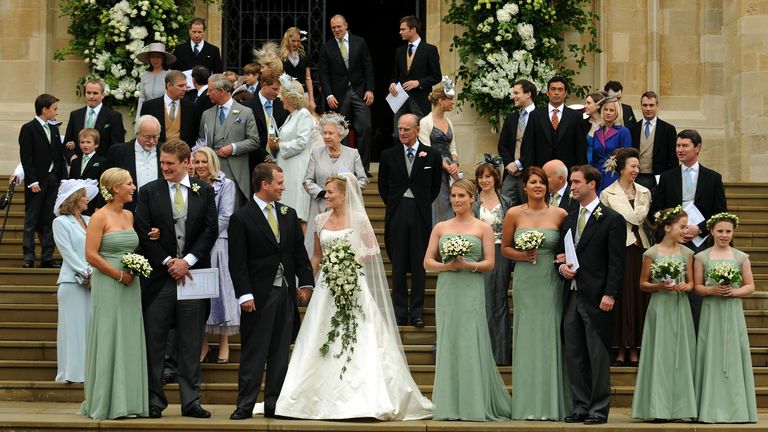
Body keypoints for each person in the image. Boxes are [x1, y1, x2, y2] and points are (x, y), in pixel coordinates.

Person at [265, 173, 433, 419]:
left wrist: (347, 260)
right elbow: (316, 257)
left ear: (344, 194)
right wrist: (307, 284)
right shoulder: (321, 220)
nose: (327, 195)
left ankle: (362, 398)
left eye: (331, 191)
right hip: (326, 288)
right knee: (318, 337)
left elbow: (371, 249)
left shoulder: (359, 219)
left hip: (353, 283)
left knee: (360, 335)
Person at [133, 139, 218, 419]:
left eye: (170, 163)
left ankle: (191, 401)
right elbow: (143, 231)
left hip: (193, 277)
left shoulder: (204, 191)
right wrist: (169, 261)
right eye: (162, 163)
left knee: (191, 341)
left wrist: (188, 261)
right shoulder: (148, 192)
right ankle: (154, 400)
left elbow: (210, 230)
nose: (164, 167)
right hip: (159, 279)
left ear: (186, 163)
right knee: (155, 340)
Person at [227, 163, 314, 420]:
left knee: (279, 352)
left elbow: (299, 254)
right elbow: (237, 261)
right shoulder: (242, 217)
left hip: (285, 293)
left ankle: (274, 404)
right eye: (279, 183)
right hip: (257, 295)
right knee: (254, 351)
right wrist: (244, 294)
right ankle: (245, 404)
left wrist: (306, 283)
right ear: (264, 184)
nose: (283, 187)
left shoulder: (288, 214)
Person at [424, 179, 513, 420]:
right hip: (448, 289)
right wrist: (447, 266)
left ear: (472, 199)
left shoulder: (482, 228)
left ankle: (473, 403)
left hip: (471, 287)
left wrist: (467, 265)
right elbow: (427, 262)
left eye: (461, 196)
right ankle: (449, 404)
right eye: (453, 196)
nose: (456, 200)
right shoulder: (441, 227)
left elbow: (490, 263)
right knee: (449, 339)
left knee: (470, 339)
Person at [557, 165, 626, 425]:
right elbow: (563, 255)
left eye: (576, 182)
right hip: (571, 296)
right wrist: (562, 268)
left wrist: (610, 294)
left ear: (591, 184)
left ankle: (598, 408)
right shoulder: (569, 218)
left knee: (597, 356)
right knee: (574, 354)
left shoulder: (611, 219)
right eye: (572, 183)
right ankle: (580, 406)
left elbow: (616, 263)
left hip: (597, 297)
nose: (571, 187)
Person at [500, 166, 570, 419]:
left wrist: (563, 257)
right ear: (525, 186)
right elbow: (505, 248)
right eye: (533, 182)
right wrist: (521, 254)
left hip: (550, 280)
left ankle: (552, 402)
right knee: (527, 333)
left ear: (548, 186)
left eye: (541, 182)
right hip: (525, 280)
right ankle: (527, 402)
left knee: (549, 332)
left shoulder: (561, 214)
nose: (538, 186)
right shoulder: (514, 214)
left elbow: (570, 246)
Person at [79, 168, 147, 419]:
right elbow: (91, 255)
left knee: (128, 338)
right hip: (109, 284)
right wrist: (118, 275)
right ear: (116, 188)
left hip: (131, 285)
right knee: (109, 336)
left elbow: (132, 244)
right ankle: (107, 402)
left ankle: (127, 401)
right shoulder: (99, 217)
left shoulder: (129, 215)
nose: (133, 187)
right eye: (129, 183)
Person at [652, 129, 727, 331]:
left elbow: (721, 213)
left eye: (685, 145)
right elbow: (656, 210)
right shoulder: (666, 178)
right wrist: (673, 230)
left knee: (698, 293)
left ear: (698, 148)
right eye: (678, 146)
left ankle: (698, 332)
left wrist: (699, 229)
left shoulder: (712, 178)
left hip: (701, 243)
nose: (680, 150)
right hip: (673, 244)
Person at [631, 206, 696, 421]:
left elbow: (692, 282)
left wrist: (686, 286)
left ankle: (681, 408)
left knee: (680, 355)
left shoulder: (687, 253)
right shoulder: (651, 253)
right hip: (659, 307)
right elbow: (643, 284)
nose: (685, 231)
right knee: (659, 354)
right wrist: (659, 286)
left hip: (679, 306)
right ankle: (657, 407)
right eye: (682, 227)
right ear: (667, 227)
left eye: (686, 227)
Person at [693, 212, 757, 423]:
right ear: (711, 231)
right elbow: (698, 287)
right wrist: (711, 291)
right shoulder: (701, 257)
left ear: (733, 233)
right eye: (720, 231)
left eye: (728, 231)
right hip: (711, 311)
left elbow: (750, 286)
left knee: (733, 355)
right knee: (711, 352)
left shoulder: (741, 257)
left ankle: (736, 408)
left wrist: (733, 292)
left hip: (732, 311)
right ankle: (709, 408)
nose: (724, 235)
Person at [379, 113, 442, 327]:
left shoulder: (432, 155)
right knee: (398, 265)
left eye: (407, 129)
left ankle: (416, 312)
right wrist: (395, 204)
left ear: (417, 130)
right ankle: (399, 312)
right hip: (397, 212)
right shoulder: (389, 155)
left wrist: (420, 203)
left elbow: (435, 186)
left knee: (418, 265)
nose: (403, 133)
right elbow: (383, 187)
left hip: (420, 214)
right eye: (400, 129)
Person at [599, 147, 651, 367]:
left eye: (638, 167)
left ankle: (637, 345)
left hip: (641, 249)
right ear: (621, 168)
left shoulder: (645, 192)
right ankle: (620, 347)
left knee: (638, 297)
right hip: (620, 249)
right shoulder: (607, 194)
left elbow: (639, 218)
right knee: (622, 297)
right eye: (633, 166)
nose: (636, 170)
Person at [192, 147, 239, 364]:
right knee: (199, 294)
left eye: (204, 161)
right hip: (194, 247)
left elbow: (225, 216)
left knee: (220, 292)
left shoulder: (225, 185)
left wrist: (205, 240)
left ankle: (223, 343)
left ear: (212, 162)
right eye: (197, 161)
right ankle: (202, 344)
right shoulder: (190, 184)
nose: (200, 166)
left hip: (218, 243)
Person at [52, 179, 98, 383]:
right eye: (84, 196)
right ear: (74, 199)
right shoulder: (60, 222)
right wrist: (88, 273)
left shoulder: (90, 220)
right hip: (72, 283)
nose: (87, 199)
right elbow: (67, 253)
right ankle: (71, 372)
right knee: (73, 329)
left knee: (89, 328)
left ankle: (89, 372)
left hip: (94, 282)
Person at [303, 113, 368, 254]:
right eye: (324, 133)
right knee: (317, 251)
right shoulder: (316, 153)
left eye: (331, 133)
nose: (326, 136)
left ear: (340, 134)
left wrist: (347, 190)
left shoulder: (353, 154)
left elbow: (363, 180)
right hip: (319, 208)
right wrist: (322, 193)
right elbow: (307, 181)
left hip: (345, 211)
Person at [318, 14, 375, 173]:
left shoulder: (360, 42)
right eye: (333, 28)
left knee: (365, 127)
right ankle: (347, 167)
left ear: (346, 26)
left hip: (359, 92)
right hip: (338, 95)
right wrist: (328, 95)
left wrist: (370, 89)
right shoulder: (326, 47)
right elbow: (324, 74)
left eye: (339, 27)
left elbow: (368, 67)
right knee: (342, 131)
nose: (336, 30)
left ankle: (363, 168)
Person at [19, 93, 68, 269]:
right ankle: (28, 257)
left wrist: (63, 177)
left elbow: (59, 155)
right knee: (31, 220)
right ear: (44, 109)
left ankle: (47, 256)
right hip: (37, 182)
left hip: (53, 180)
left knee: (48, 219)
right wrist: (32, 181)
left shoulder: (54, 129)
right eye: (54, 109)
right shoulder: (28, 128)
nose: (57, 113)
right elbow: (27, 158)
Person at [472, 162, 513, 366]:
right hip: (479, 253)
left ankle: (501, 353)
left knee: (499, 299)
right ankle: (481, 352)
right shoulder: (473, 203)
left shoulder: (507, 202)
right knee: (483, 300)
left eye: (488, 176)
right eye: (480, 177)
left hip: (501, 252)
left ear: (495, 178)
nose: (484, 180)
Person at [199, 73, 260, 207]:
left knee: (233, 212)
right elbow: (202, 141)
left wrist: (233, 148)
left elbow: (254, 140)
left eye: (210, 90)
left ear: (221, 91)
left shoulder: (245, 112)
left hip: (235, 173)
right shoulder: (206, 114)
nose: (207, 94)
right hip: (211, 173)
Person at [389, 15, 442, 141]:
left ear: (413, 30)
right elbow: (394, 75)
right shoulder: (399, 51)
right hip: (400, 98)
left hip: (420, 98)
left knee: (421, 132)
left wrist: (419, 82)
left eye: (403, 29)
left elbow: (436, 76)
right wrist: (392, 84)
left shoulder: (429, 50)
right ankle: (400, 160)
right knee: (398, 133)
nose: (400, 32)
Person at [521, 76, 587, 171]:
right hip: (540, 171)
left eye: (560, 90)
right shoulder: (535, 115)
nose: (556, 93)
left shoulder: (575, 116)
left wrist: (579, 173)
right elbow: (528, 146)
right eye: (553, 89)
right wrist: (530, 171)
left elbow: (581, 148)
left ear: (565, 93)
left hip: (568, 172)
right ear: (547, 93)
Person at [273, 74, 313, 227]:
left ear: (289, 97)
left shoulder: (304, 114)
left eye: (282, 95)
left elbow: (302, 142)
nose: (280, 98)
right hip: (287, 167)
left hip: (297, 169)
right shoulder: (291, 116)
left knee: (297, 214)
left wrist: (280, 146)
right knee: (286, 212)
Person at [419, 80, 459, 224]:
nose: (453, 102)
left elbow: (452, 147)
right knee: (440, 205)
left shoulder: (449, 122)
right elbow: (426, 150)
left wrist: (454, 163)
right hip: (435, 171)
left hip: (451, 170)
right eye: (450, 99)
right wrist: (445, 165)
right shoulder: (425, 122)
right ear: (441, 101)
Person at [105, 115, 162, 212]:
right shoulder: (118, 151)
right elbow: (106, 181)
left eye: (155, 137)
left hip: (158, 211)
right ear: (137, 134)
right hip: (125, 210)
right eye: (148, 137)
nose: (152, 141)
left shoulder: (165, 150)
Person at [63, 78, 126, 160]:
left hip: (103, 167)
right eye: (88, 93)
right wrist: (72, 158)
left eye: (95, 93)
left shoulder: (114, 116)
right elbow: (68, 142)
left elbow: (117, 146)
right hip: (78, 167)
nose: (91, 96)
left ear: (103, 95)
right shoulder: (75, 115)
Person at [629, 91, 678, 192]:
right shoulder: (633, 129)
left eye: (651, 105)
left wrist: (673, 181)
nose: (648, 109)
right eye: (645, 105)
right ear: (641, 106)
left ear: (657, 105)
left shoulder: (668, 129)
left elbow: (673, 158)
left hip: (659, 178)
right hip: (637, 177)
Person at [498, 79, 537, 205]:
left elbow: (538, 147)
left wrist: (519, 164)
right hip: (510, 174)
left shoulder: (540, 117)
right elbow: (502, 144)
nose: (513, 96)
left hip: (530, 173)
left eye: (516, 93)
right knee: (504, 207)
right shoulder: (511, 118)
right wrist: (510, 164)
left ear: (528, 94)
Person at [140, 70, 199, 147]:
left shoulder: (192, 108)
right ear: (168, 85)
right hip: (157, 153)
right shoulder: (149, 106)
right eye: (180, 86)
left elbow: (195, 135)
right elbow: (143, 133)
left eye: (185, 85)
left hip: (183, 154)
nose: (185, 89)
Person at [246, 69, 289, 172]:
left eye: (279, 89)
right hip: (255, 162)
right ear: (264, 85)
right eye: (274, 89)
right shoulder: (248, 106)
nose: (277, 93)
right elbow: (248, 135)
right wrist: (265, 156)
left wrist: (276, 154)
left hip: (279, 161)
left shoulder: (283, 105)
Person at [591, 97, 631, 193]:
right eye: (605, 109)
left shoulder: (623, 132)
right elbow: (594, 158)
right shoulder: (597, 133)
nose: (608, 112)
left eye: (611, 110)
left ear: (617, 113)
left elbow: (627, 157)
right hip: (598, 174)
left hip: (615, 175)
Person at [69, 129, 106, 214]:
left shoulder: (102, 161)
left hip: (93, 202)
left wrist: (99, 205)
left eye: (88, 142)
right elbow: (72, 181)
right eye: (82, 142)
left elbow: (103, 185)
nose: (85, 145)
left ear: (96, 144)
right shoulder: (75, 162)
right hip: (76, 203)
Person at [279, 27, 316, 111]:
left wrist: (311, 99)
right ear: (287, 40)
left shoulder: (304, 55)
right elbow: (278, 78)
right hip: (287, 94)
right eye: (293, 41)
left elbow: (308, 78)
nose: (296, 44)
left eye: (298, 41)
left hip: (303, 94)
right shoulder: (281, 57)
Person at [135, 42, 175, 115]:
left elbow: (172, 96)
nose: (155, 60)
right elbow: (142, 98)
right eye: (152, 57)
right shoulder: (144, 75)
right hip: (148, 113)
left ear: (163, 58)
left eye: (158, 57)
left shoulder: (169, 74)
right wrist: (138, 118)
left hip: (164, 113)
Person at [583, 91, 606, 166]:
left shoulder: (607, 125)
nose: (585, 106)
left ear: (598, 105)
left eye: (588, 103)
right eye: (585, 103)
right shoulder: (583, 124)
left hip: (603, 165)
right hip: (586, 165)